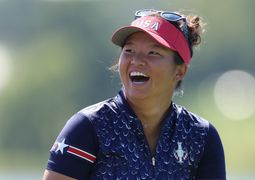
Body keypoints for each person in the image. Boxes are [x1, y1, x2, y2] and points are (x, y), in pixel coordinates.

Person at [43, 9, 226, 180]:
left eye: (153, 53)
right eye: (129, 51)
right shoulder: (88, 127)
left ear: (180, 71)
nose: (136, 61)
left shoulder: (201, 136)